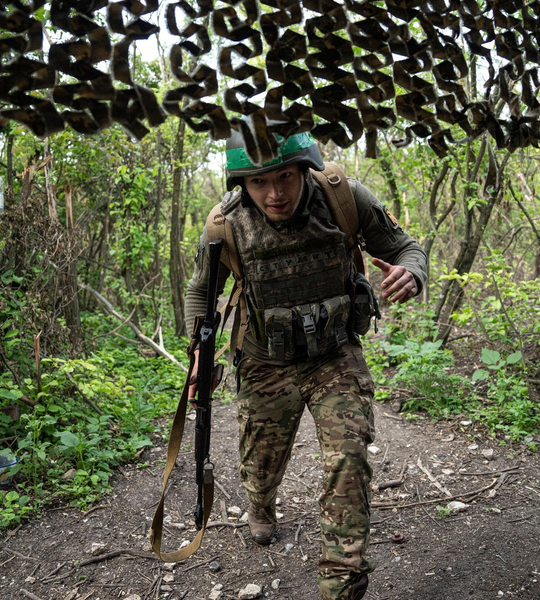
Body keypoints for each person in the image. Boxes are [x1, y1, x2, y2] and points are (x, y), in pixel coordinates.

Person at [184, 129, 427, 600]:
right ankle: (261, 503)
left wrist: (411, 273)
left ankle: (341, 584)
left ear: (304, 169)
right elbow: (201, 291)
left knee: (349, 458)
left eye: (285, 177)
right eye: (259, 183)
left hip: (334, 355)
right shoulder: (224, 225)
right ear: (241, 183)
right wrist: (199, 352)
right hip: (264, 360)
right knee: (260, 464)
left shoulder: (342, 196)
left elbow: (406, 247)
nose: (275, 193)